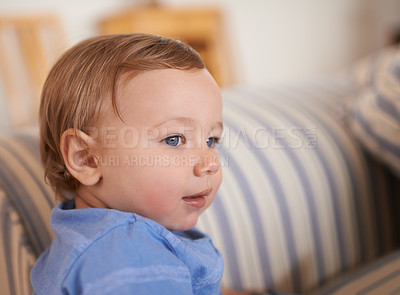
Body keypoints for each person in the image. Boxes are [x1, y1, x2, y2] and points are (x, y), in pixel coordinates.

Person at [31, 33, 271, 295]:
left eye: (211, 139)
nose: (209, 164)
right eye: (174, 139)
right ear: (86, 159)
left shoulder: (91, 239)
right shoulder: (125, 254)